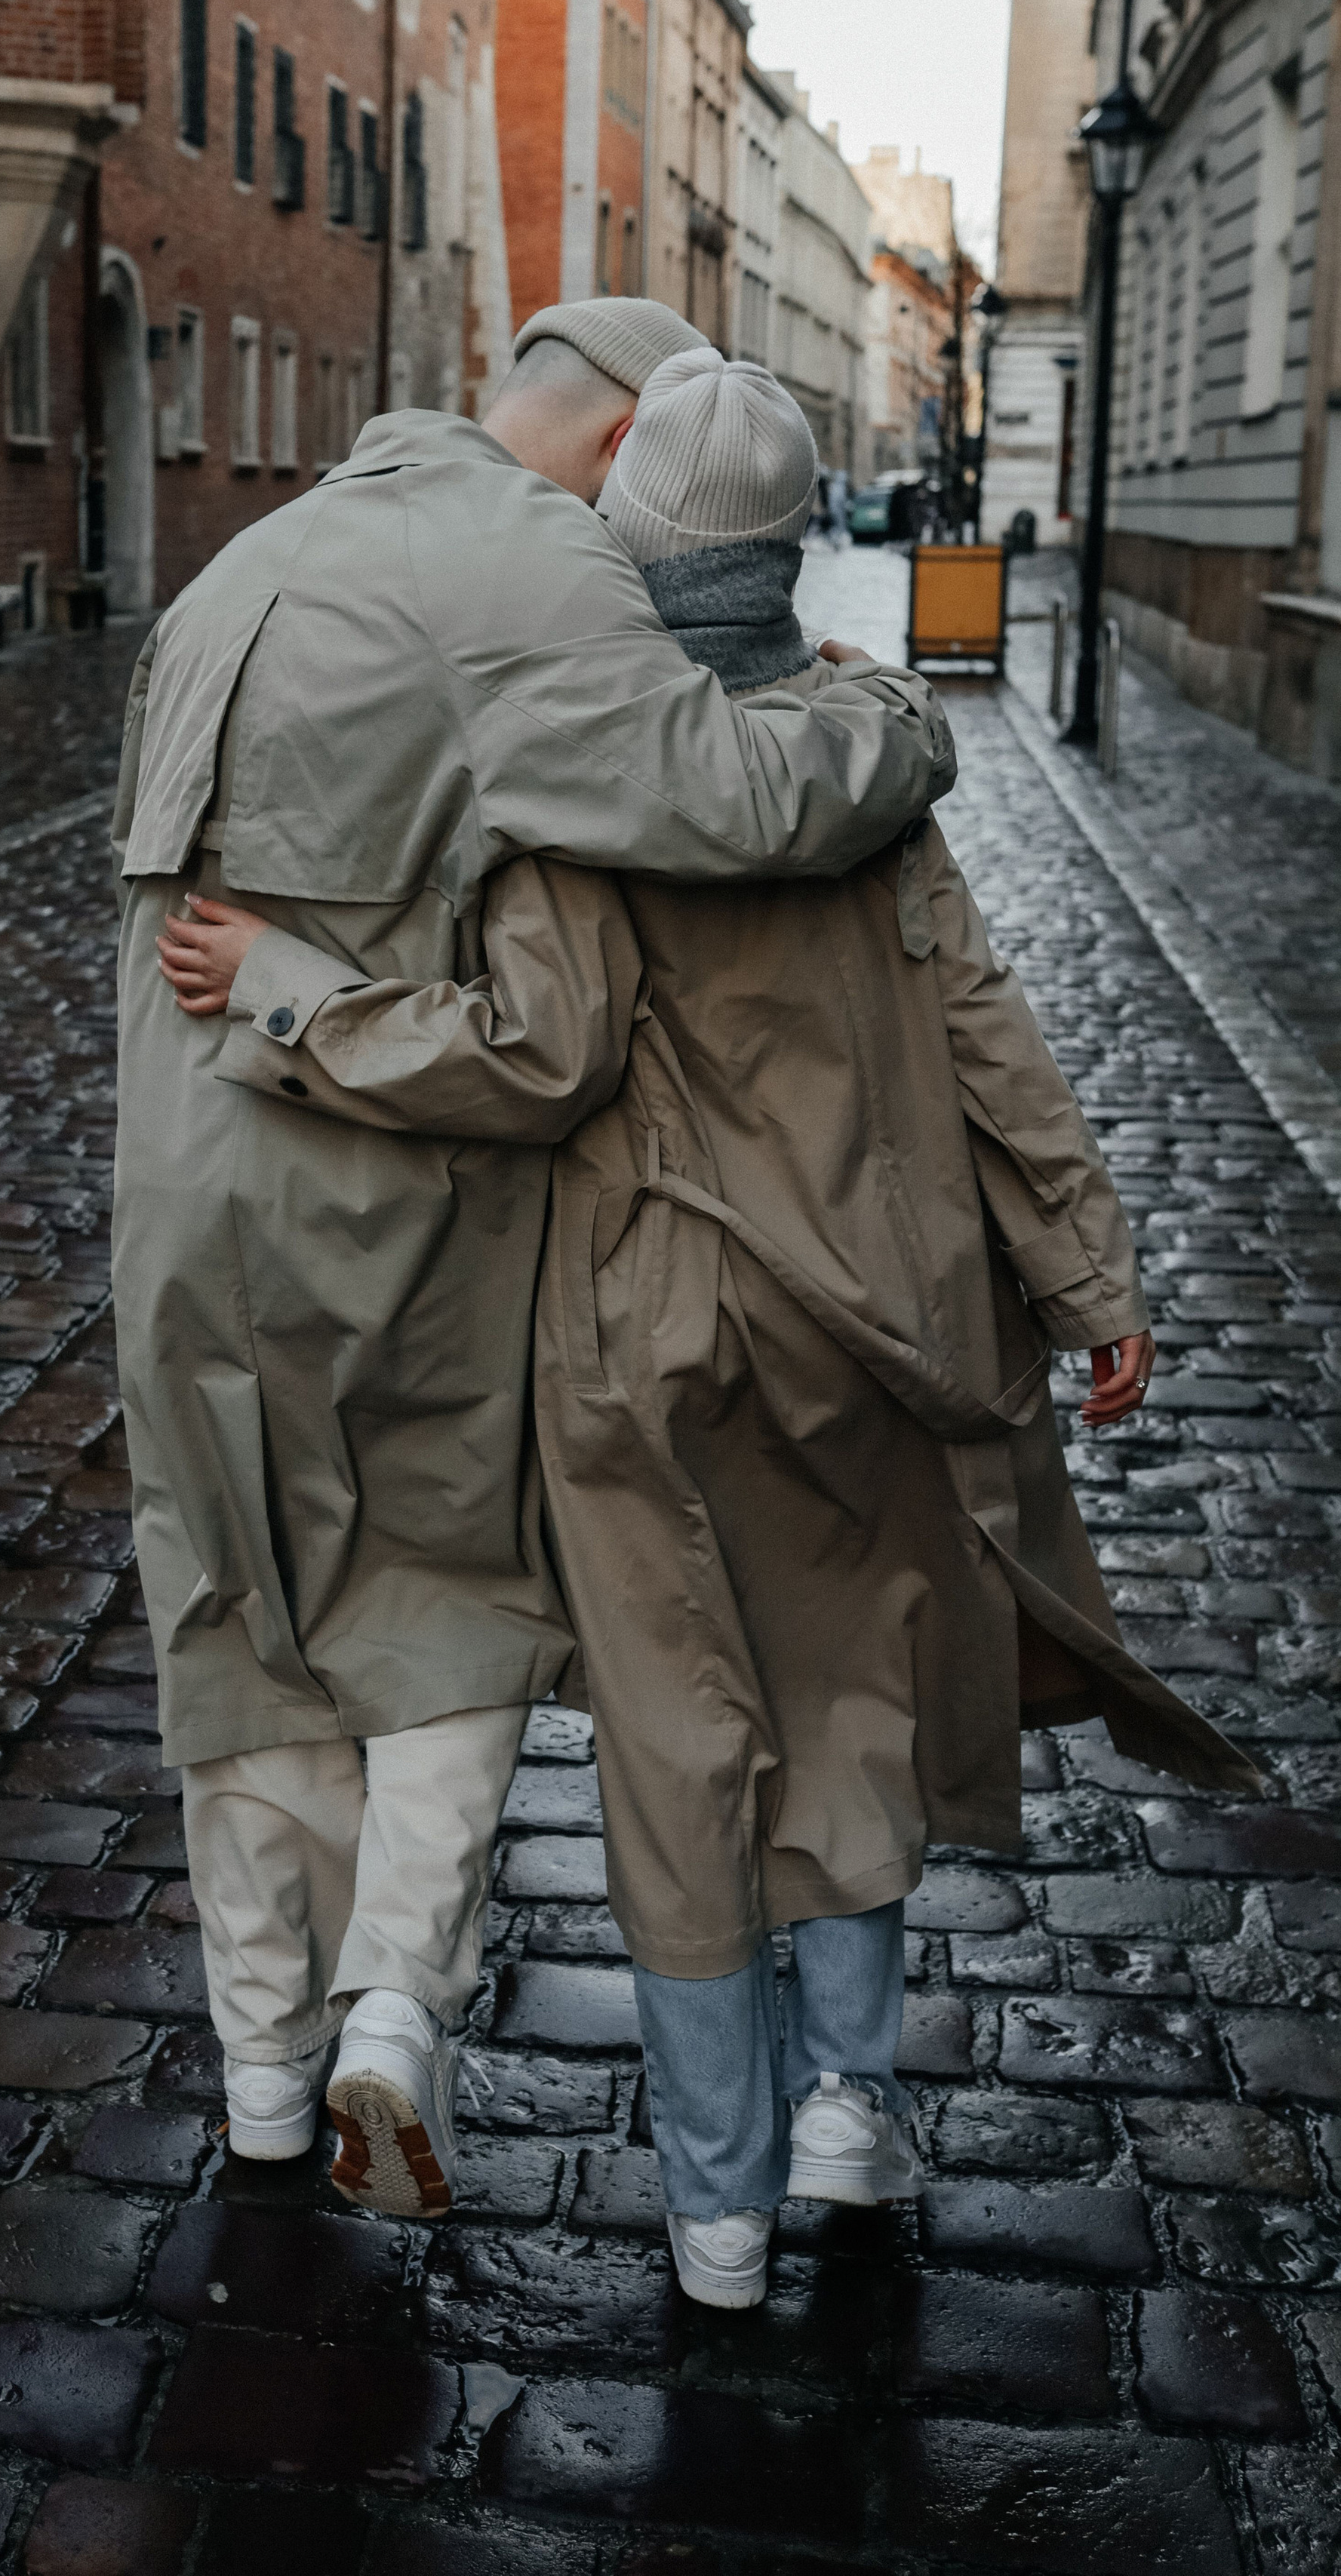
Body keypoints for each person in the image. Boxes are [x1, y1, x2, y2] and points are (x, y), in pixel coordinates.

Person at [156, 349, 1258, 2293]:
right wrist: (1085, 1268)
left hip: (639, 1344)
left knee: (681, 1761)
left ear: (628, 543)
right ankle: (846, 2113)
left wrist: (283, 990)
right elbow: (989, 1038)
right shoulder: (868, 765)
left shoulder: (592, 786)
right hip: (878, 1336)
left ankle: (718, 2216)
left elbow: (524, 1057)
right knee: (849, 1719)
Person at [112, 300, 958, 2221]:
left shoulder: (246, 553)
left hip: (175, 1185)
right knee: (443, 1593)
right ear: (621, 444)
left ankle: (257, 2078)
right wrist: (897, 716)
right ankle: (391, 2009)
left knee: (236, 1616)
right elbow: (740, 799)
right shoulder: (533, 564)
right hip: (373, 1172)